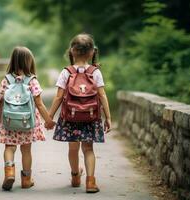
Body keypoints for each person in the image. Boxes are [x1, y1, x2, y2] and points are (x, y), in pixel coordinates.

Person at [46, 33, 112, 193]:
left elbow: (59, 97)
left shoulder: (66, 72)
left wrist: (49, 117)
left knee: (73, 149)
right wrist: (108, 117)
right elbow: (102, 95)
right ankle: (90, 182)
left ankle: (75, 176)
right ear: (91, 52)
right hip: (90, 117)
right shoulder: (95, 72)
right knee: (88, 149)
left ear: (72, 52)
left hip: (70, 117)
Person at [0, 46, 55, 191]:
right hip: (27, 121)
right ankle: (26, 180)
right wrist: (48, 120)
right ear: (29, 62)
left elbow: (2, 101)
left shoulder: (7, 80)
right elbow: (40, 104)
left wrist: (0, 118)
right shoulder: (31, 80)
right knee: (26, 150)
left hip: (9, 120)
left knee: (9, 147)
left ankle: (9, 173)